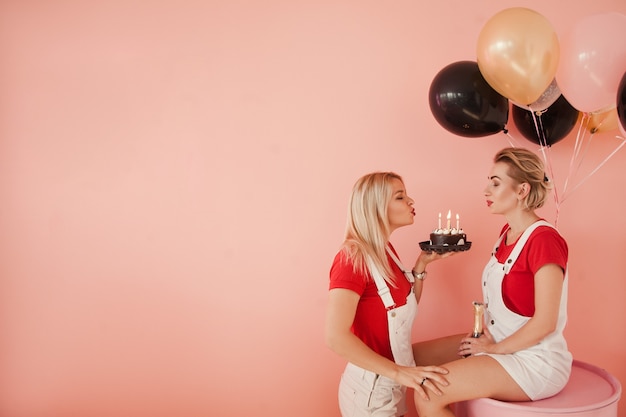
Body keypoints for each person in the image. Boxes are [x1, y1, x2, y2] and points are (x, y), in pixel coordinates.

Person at [411, 147, 572, 417]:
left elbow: (546, 322)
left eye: (495, 183)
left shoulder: (544, 240)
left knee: (428, 390)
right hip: (500, 342)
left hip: (535, 361)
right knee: (409, 359)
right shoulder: (506, 233)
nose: (486, 191)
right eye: (488, 182)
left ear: (522, 191)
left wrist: (494, 349)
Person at [325, 171, 457, 417]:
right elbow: (335, 337)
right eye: (400, 197)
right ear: (377, 208)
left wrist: (421, 265)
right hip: (369, 395)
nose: (411, 202)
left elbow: (401, 313)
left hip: (390, 386)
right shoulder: (351, 259)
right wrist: (400, 372)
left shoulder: (385, 251)